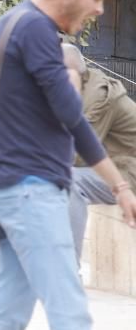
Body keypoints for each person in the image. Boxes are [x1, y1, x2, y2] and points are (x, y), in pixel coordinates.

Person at [0, 0, 136, 330]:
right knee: (71, 314)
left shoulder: (14, 23)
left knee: (7, 314)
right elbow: (73, 119)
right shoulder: (35, 30)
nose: (99, 9)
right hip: (33, 190)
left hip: (13, 185)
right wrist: (119, 186)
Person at [62, 43, 136, 262]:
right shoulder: (78, 89)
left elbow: (79, 153)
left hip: (128, 169)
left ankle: (69, 268)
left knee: (71, 181)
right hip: (115, 166)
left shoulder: (97, 95)